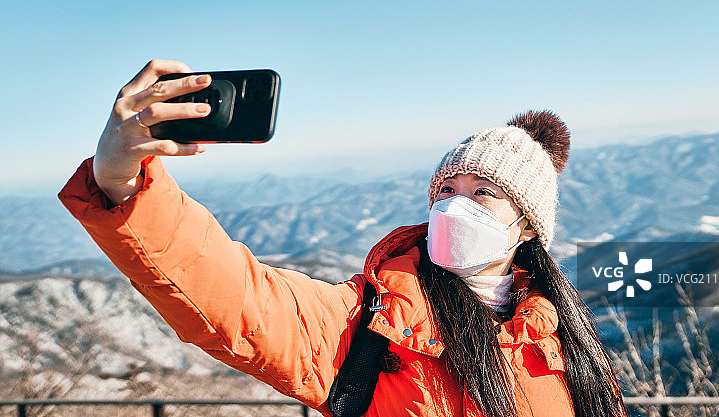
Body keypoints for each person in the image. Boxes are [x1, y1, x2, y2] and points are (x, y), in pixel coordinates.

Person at [59, 60, 626, 417]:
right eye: (445, 190)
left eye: (482, 194)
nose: (455, 207)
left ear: (526, 226)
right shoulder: (370, 323)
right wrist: (122, 185)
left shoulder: (565, 340)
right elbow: (244, 303)